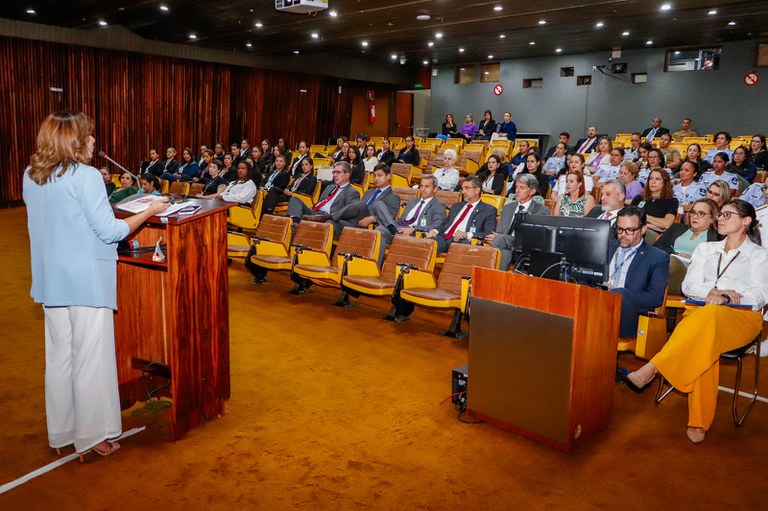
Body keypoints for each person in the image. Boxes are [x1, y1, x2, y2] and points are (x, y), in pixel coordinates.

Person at [22, 110, 170, 460]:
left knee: (59, 358)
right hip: (86, 280)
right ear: (72, 141)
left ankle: (62, 431)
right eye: (88, 136)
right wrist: (151, 209)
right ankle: (90, 437)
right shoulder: (85, 176)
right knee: (89, 359)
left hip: (51, 281)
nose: (92, 142)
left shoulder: (31, 176)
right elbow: (111, 231)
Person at [626, 199, 768, 444]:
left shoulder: (760, 255)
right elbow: (689, 286)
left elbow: (761, 295)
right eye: (720, 214)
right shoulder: (706, 249)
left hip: (741, 317)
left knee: (706, 323)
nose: (720, 218)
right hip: (701, 314)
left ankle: (655, 367)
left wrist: (729, 297)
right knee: (705, 336)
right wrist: (717, 292)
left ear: (746, 221)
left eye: (727, 215)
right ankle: (697, 421)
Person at [606, 206, 670, 338]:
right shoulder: (605, 248)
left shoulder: (657, 257)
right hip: (595, 303)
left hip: (629, 312)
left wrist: (619, 295)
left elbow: (655, 297)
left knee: (620, 294)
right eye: (619, 229)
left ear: (643, 229)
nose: (623, 234)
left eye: (630, 230)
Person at [654, 198, 720, 294]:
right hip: (667, 264)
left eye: (701, 213)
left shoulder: (716, 237)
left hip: (690, 273)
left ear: (712, 218)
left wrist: (693, 258)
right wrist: (676, 254)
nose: (695, 217)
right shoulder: (677, 228)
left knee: (671, 263)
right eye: (693, 212)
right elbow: (657, 247)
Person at [486, 173, 551, 270]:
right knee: (504, 251)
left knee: (499, 241)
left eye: (522, 188)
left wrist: (499, 238)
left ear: (532, 191)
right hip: (506, 247)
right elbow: (499, 232)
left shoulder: (541, 210)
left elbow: (536, 238)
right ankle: (497, 279)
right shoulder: (508, 208)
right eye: (516, 187)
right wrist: (497, 238)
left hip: (525, 247)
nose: (517, 191)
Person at [426, 176, 496, 253]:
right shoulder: (456, 206)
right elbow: (444, 224)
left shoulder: (488, 210)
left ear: (477, 190)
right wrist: (434, 231)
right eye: (462, 189)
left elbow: (488, 234)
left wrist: (467, 234)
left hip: (462, 241)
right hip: (443, 237)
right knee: (424, 245)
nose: (463, 192)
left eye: (467, 188)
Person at [376, 174, 446, 247]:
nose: (423, 189)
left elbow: (437, 224)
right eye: (421, 186)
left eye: (427, 186)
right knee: (379, 229)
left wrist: (414, 228)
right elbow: (402, 219)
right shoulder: (412, 202)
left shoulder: (438, 205)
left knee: (401, 235)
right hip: (399, 229)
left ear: (434, 189)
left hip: (414, 233)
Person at [287, 161, 361, 228]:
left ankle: (293, 225)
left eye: (338, 172)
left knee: (327, 222)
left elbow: (348, 212)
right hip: (314, 212)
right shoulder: (329, 187)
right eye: (334, 172)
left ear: (347, 175)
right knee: (294, 200)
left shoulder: (352, 192)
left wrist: (324, 217)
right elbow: (319, 203)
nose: (335, 175)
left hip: (328, 216)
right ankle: (295, 222)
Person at [336, 164, 400, 235]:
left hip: (365, 226)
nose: (376, 178)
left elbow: (389, 218)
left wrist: (373, 218)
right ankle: (332, 215)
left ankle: (333, 215)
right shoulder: (369, 192)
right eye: (374, 176)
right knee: (330, 223)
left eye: (379, 175)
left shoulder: (393, 197)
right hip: (353, 220)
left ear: (388, 176)